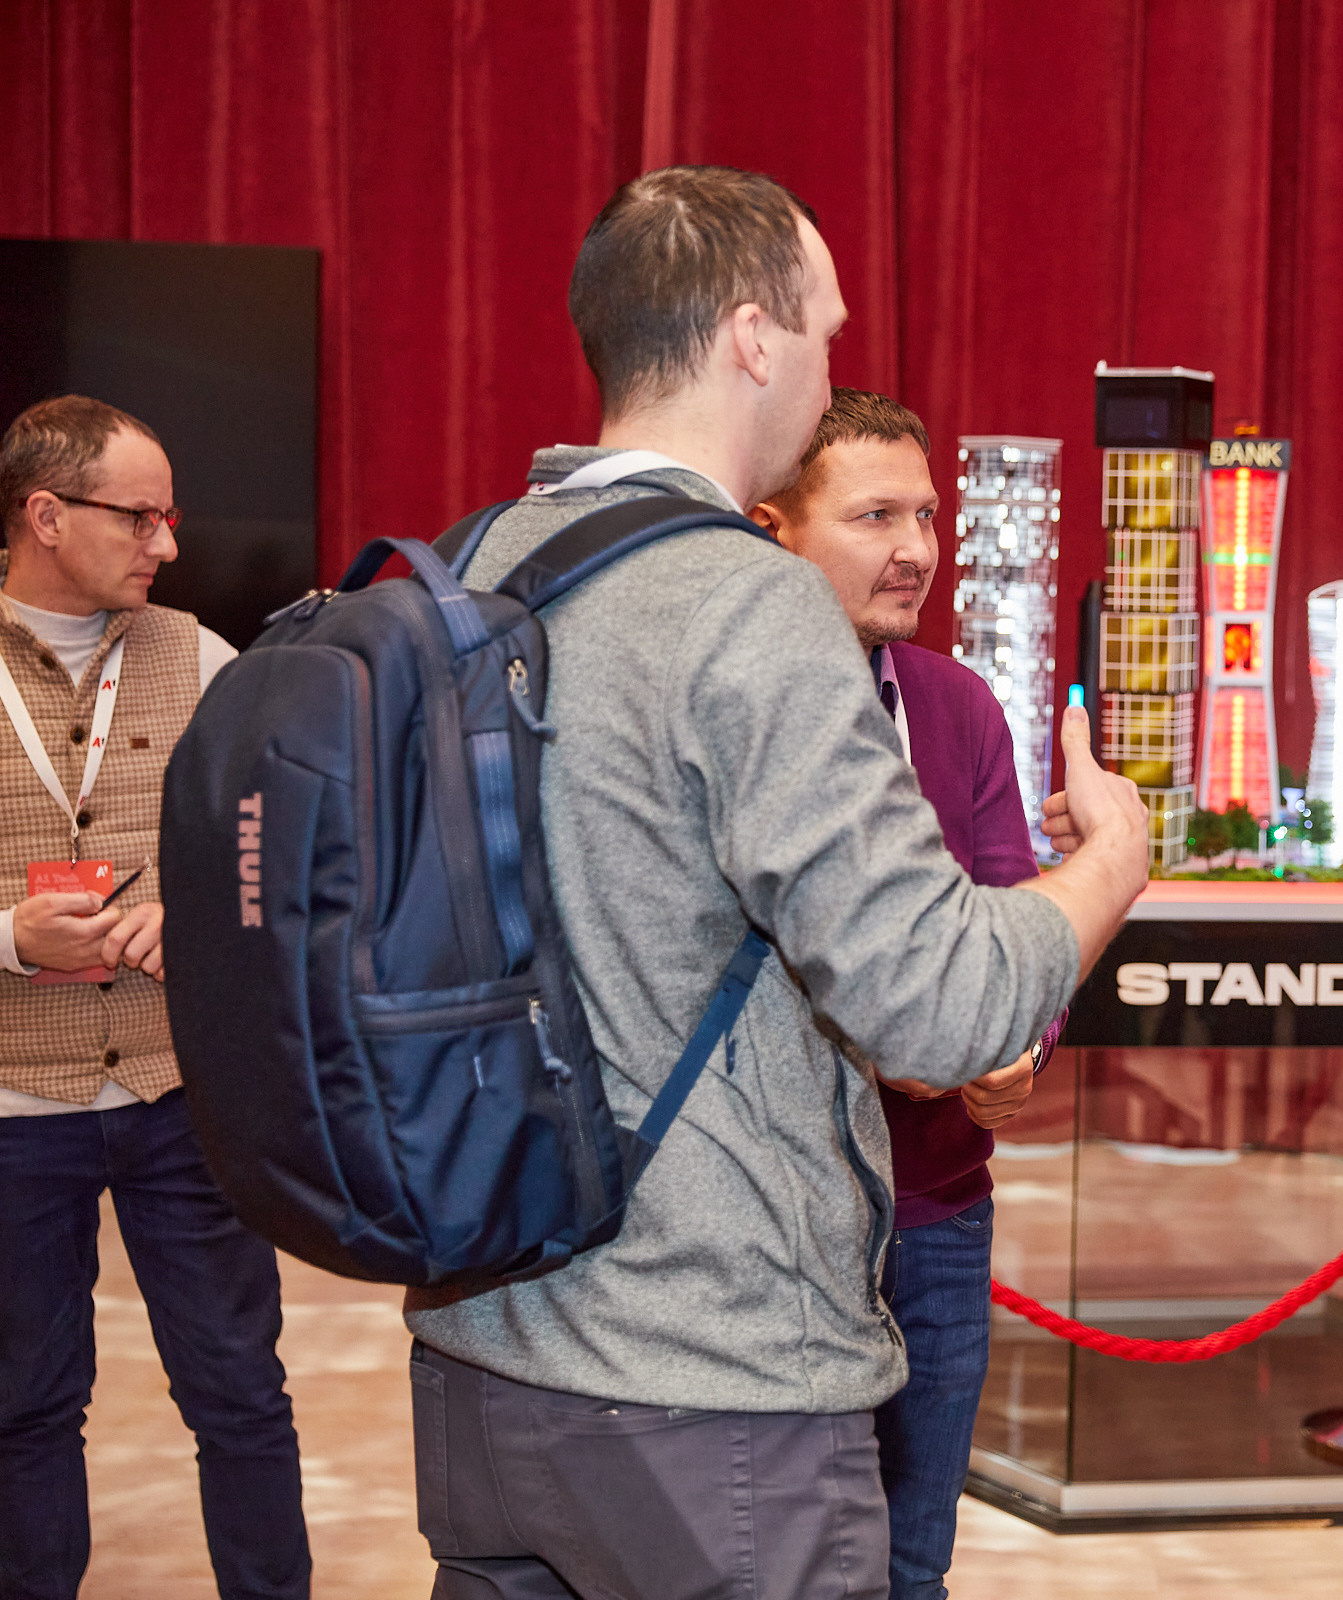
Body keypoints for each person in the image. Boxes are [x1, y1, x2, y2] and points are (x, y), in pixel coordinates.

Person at [401, 166, 1150, 1600]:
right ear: (753, 338)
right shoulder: (748, 605)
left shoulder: (471, 565)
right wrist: (1110, 861)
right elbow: (937, 1004)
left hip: (483, 1355)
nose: (830, 365)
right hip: (711, 1383)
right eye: (826, 328)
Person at [747, 387, 1058, 1600]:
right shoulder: (734, 705)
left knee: (913, 1564)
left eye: (926, 515)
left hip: (936, 1209)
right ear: (774, 526)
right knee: (779, 1564)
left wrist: (1017, 1041)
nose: (918, 548)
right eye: (875, 514)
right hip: (776, 1227)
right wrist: (887, 1038)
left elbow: (1012, 910)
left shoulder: (957, 704)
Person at [0, 396, 309, 1600]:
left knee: (240, 1393)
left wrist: (205, 918)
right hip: (16, 1102)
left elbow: (287, 860)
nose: (166, 544)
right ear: (44, 514)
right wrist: (13, 934)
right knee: (26, 1404)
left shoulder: (209, 657)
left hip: (185, 1094)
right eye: (139, 516)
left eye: (168, 517)